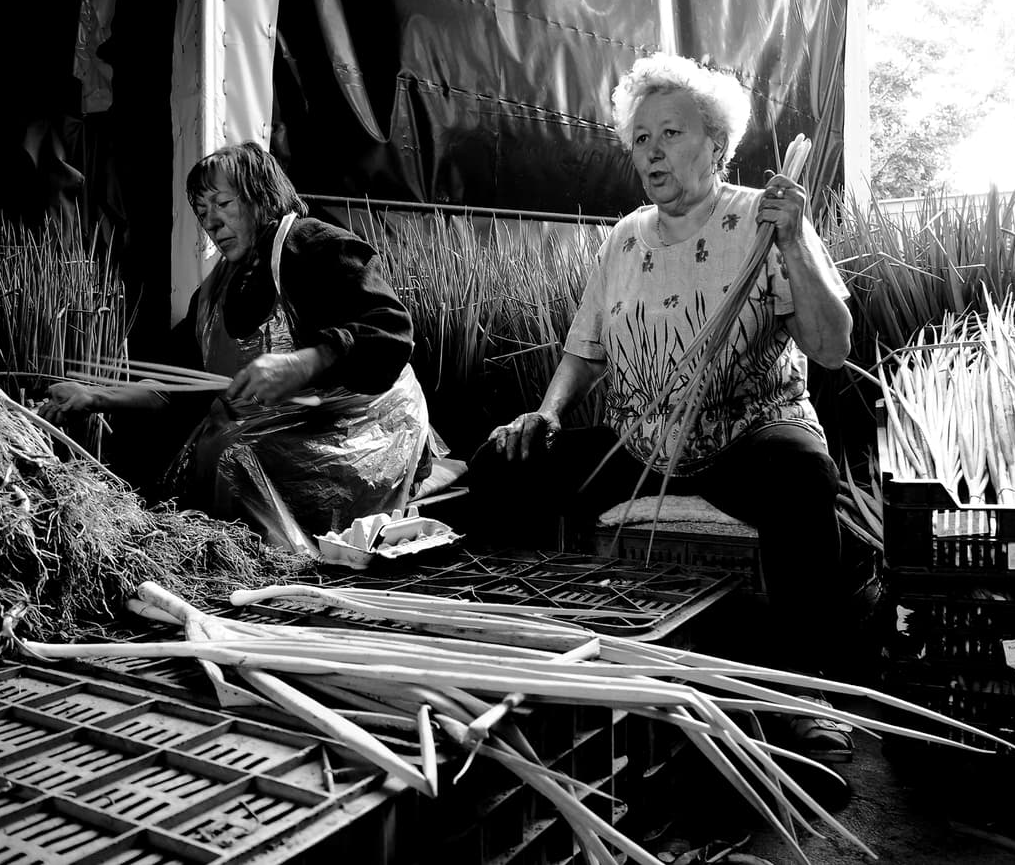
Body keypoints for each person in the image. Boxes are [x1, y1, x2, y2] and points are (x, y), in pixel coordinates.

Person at [470, 52, 856, 760]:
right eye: (640, 138)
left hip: (745, 435)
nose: (651, 151)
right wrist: (551, 413)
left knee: (802, 471)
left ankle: (806, 690)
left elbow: (830, 347)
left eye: (670, 134)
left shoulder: (764, 221)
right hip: (640, 440)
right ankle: (514, 653)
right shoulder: (623, 238)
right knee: (504, 462)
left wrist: (797, 241)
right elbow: (584, 351)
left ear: (717, 144)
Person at [43, 140, 433, 548]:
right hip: (278, 430)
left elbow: (391, 330)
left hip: (364, 427)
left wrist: (306, 362)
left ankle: (277, 563)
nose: (211, 222)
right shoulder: (217, 288)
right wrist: (94, 397)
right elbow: (174, 391)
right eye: (201, 211)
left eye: (223, 203)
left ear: (261, 196)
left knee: (231, 456)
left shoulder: (314, 246)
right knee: (196, 449)